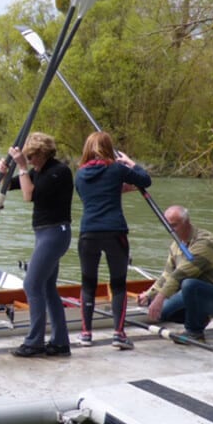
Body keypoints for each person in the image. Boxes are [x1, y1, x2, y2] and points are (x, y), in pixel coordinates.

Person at [0, 132, 74, 358]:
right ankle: (60, 342)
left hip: (55, 233)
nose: (30, 162)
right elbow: (13, 185)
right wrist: (4, 173)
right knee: (48, 288)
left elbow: (29, 195)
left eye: (32, 157)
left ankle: (34, 342)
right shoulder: (38, 171)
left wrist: (20, 166)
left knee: (31, 284)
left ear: (43, 154)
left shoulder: (58, 172)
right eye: (27, 158)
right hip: (44, 234)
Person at [75, 131, 152, 350]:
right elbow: (146, 180)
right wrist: (131, 163)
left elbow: (90, 196)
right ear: (109, 148)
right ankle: (118, 333)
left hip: (88, 232)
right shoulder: (117, 169)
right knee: (118, 284)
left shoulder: (79, 174)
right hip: (114, 232)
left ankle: (85, 334)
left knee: (88, 284)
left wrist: (115, 189)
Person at [137, 206, 213, 343]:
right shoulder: (175, 245)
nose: (171, 230)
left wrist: (159, 298)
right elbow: (167, 274)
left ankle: (195, 332)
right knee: (161, 313)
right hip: (193, 292)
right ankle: (201, 318)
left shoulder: (205, 242)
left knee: (188, 284)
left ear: (186, 222)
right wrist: (149, 294)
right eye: (168, 226)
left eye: (174, 225)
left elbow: (180, 275)